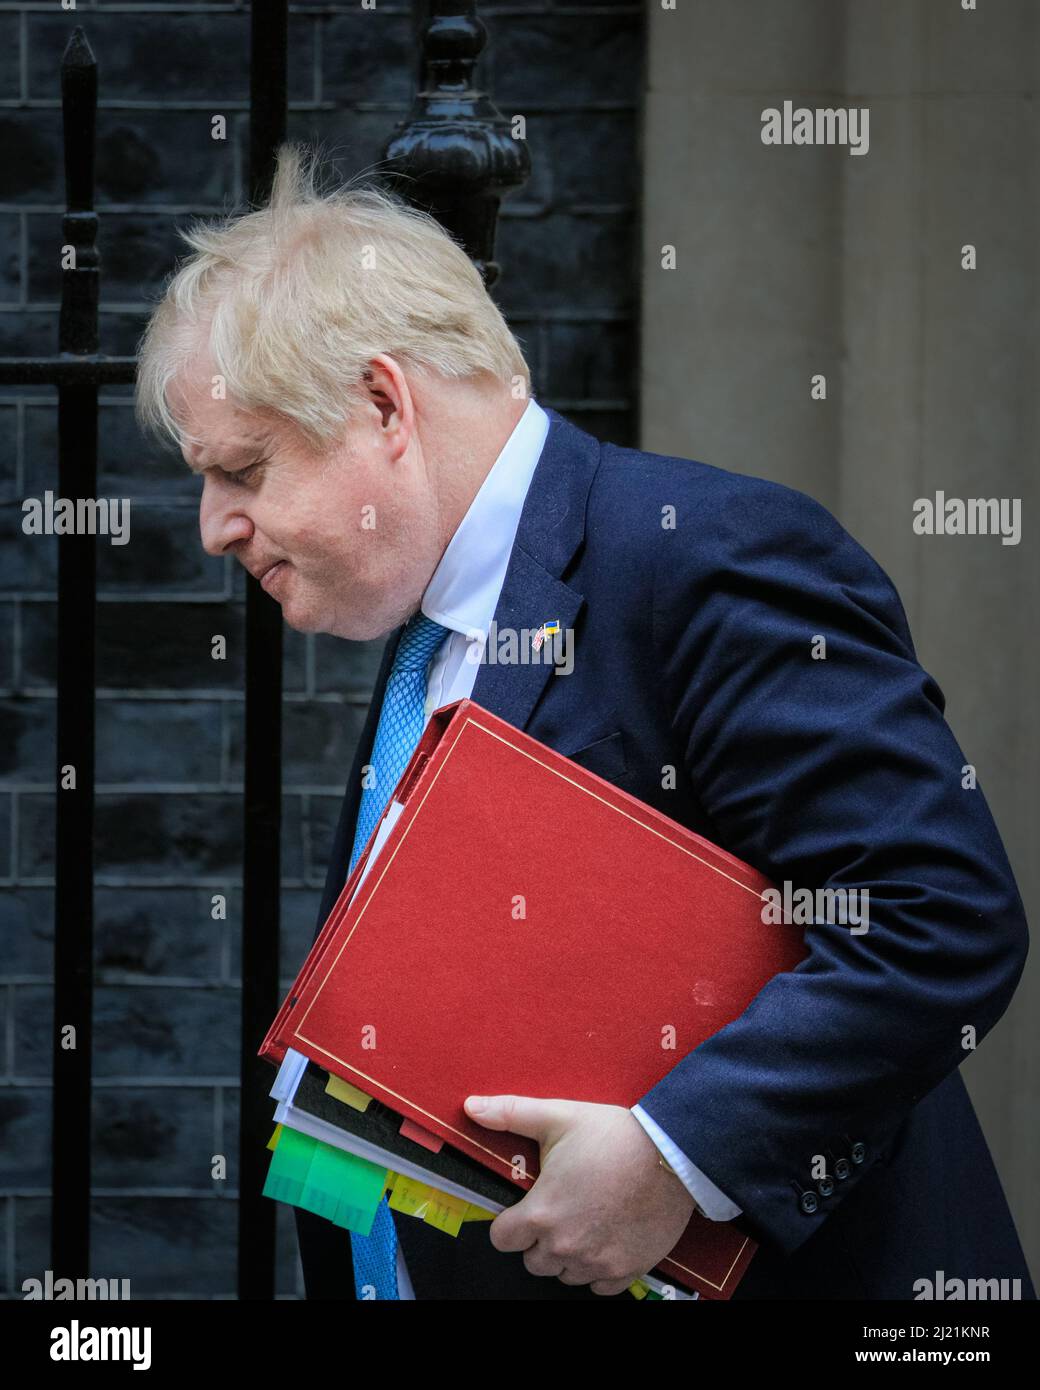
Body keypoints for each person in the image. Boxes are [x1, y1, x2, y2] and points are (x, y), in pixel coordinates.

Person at [136, 144, 1034, 1301]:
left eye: (243, 469)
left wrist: (678, 1154)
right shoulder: (428, 628)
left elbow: (936, 914)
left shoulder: (706, 556)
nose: (215, 526)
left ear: (379, 403)